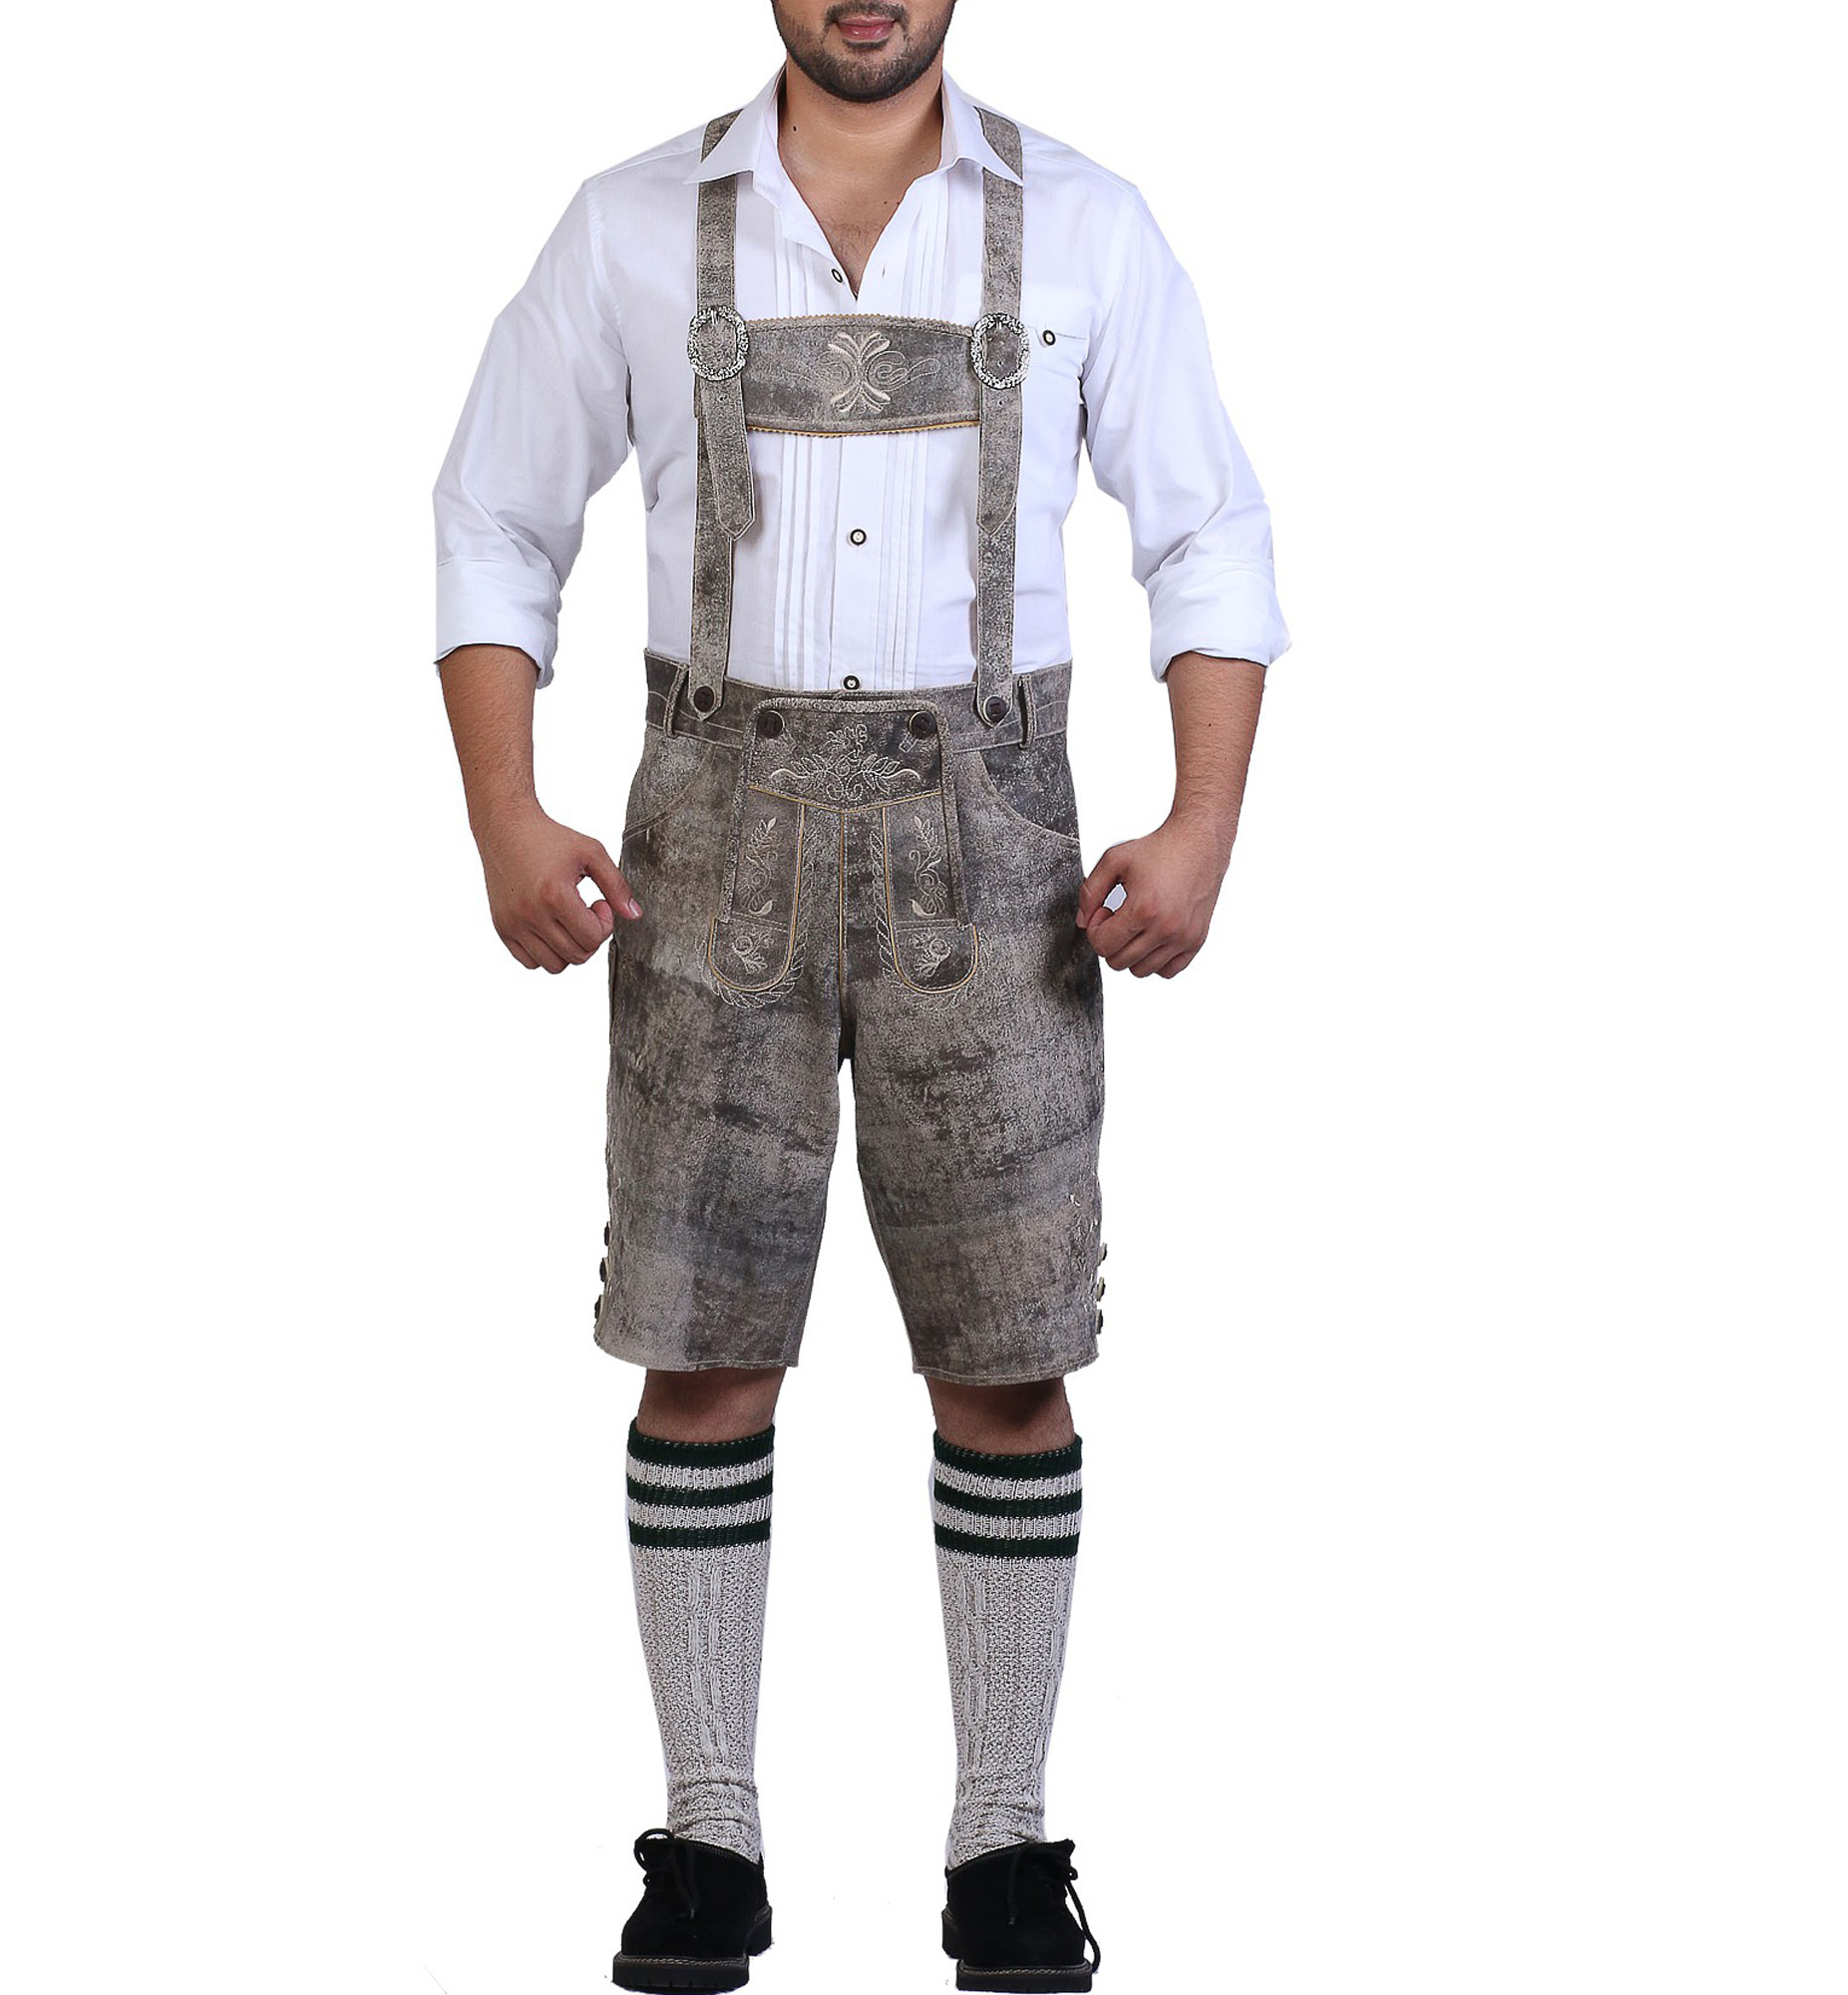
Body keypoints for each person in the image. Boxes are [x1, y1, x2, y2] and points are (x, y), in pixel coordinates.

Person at [430, 5, 1289, 1987]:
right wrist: (503, 814)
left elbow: (1210, 533)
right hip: (707, 840)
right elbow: (493, 513)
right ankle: (706, 1836)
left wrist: (1202, 827)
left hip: (995, 856)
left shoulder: (1088, 224)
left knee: (1007, 1352)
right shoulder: (628, 223)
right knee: (701, 1344)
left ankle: (1006, 1841)